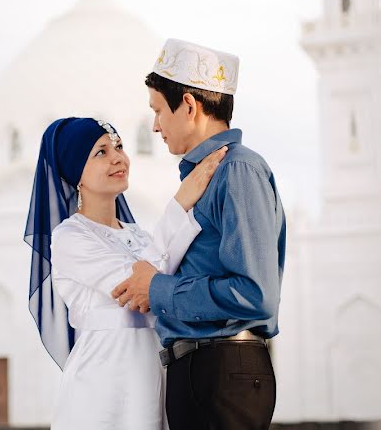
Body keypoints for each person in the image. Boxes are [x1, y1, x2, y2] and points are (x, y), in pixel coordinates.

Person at [112, 38, 286, 430]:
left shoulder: (238, 171)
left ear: (189, 106)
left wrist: (157, 289)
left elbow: (255, 295)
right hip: (202, 371)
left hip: (222, 371)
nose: (154, 125)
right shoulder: (206, 176)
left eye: (158, 111)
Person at [24, 116, 227, 430]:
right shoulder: (70, 238)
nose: (118, 157)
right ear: (76, 173)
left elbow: (173, 279)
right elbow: (137, 285)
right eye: (101, 152)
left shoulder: (141, 236)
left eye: (118, 146)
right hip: (102, 385)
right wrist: (182, 200)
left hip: (152, 379)